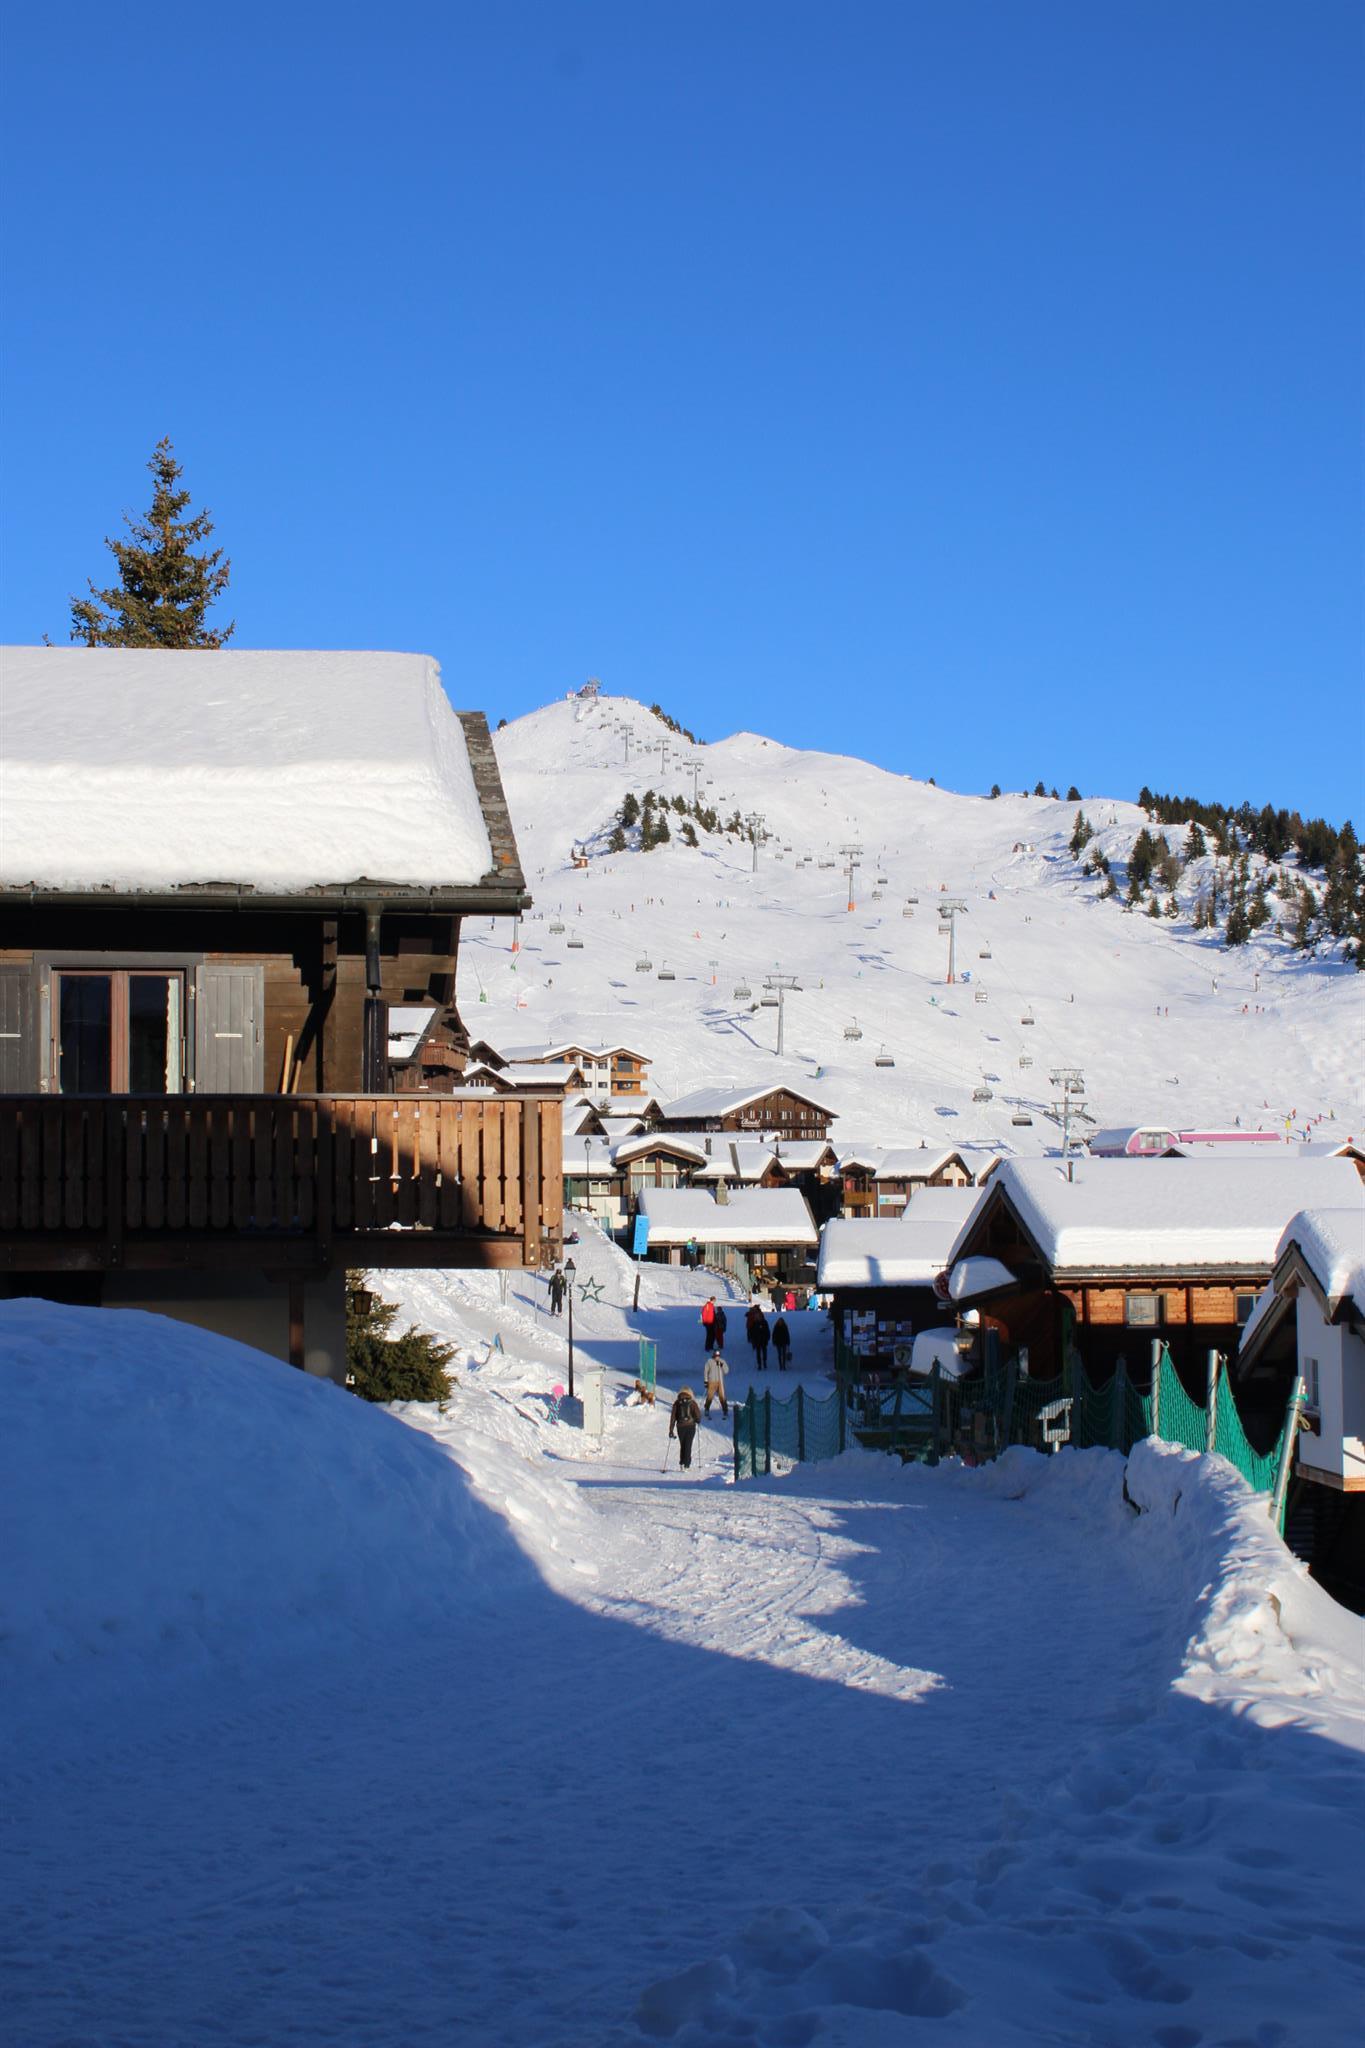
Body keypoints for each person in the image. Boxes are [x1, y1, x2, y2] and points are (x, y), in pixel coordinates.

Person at [670, 1386, 701, 1468]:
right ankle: (686, 1464)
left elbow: (673, 1417)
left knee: (682, 1444)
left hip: (680, 1427)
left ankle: (682, 1462)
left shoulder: (677, 1403)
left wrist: (671, 1430)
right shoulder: (692, 1403)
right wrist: (697, 1420)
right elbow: (698, 1416)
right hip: (691, 1426)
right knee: (688, 1445)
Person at [703, 1350, 729, 1417]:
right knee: (710, 1396)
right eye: (715, 1356)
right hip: (712, 1382)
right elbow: (706, 1371)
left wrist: (722, 1365)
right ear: (713, 1355)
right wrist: (706, 1381)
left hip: (720, 1381)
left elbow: (726, 1371)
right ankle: (706, 1409)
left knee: (722, 1396)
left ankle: (725, 1410)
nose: (717, 1357)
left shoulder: (722, 1361)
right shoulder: (709, 1361)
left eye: (718, 1356)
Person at [746, 1303, 770, 1370]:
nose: (757, 1317)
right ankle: (759, 1364)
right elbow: (752, 1333)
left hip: (763, 1340)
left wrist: (767, 1337)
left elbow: (767, 1331)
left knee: (764, 1352)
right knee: (758, 1353)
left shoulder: (764, 1322)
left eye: (758, 1316)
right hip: (757, 1340)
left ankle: (764, 1362)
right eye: (756, 1317)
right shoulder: (754, 1324)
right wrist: (752, 1339)